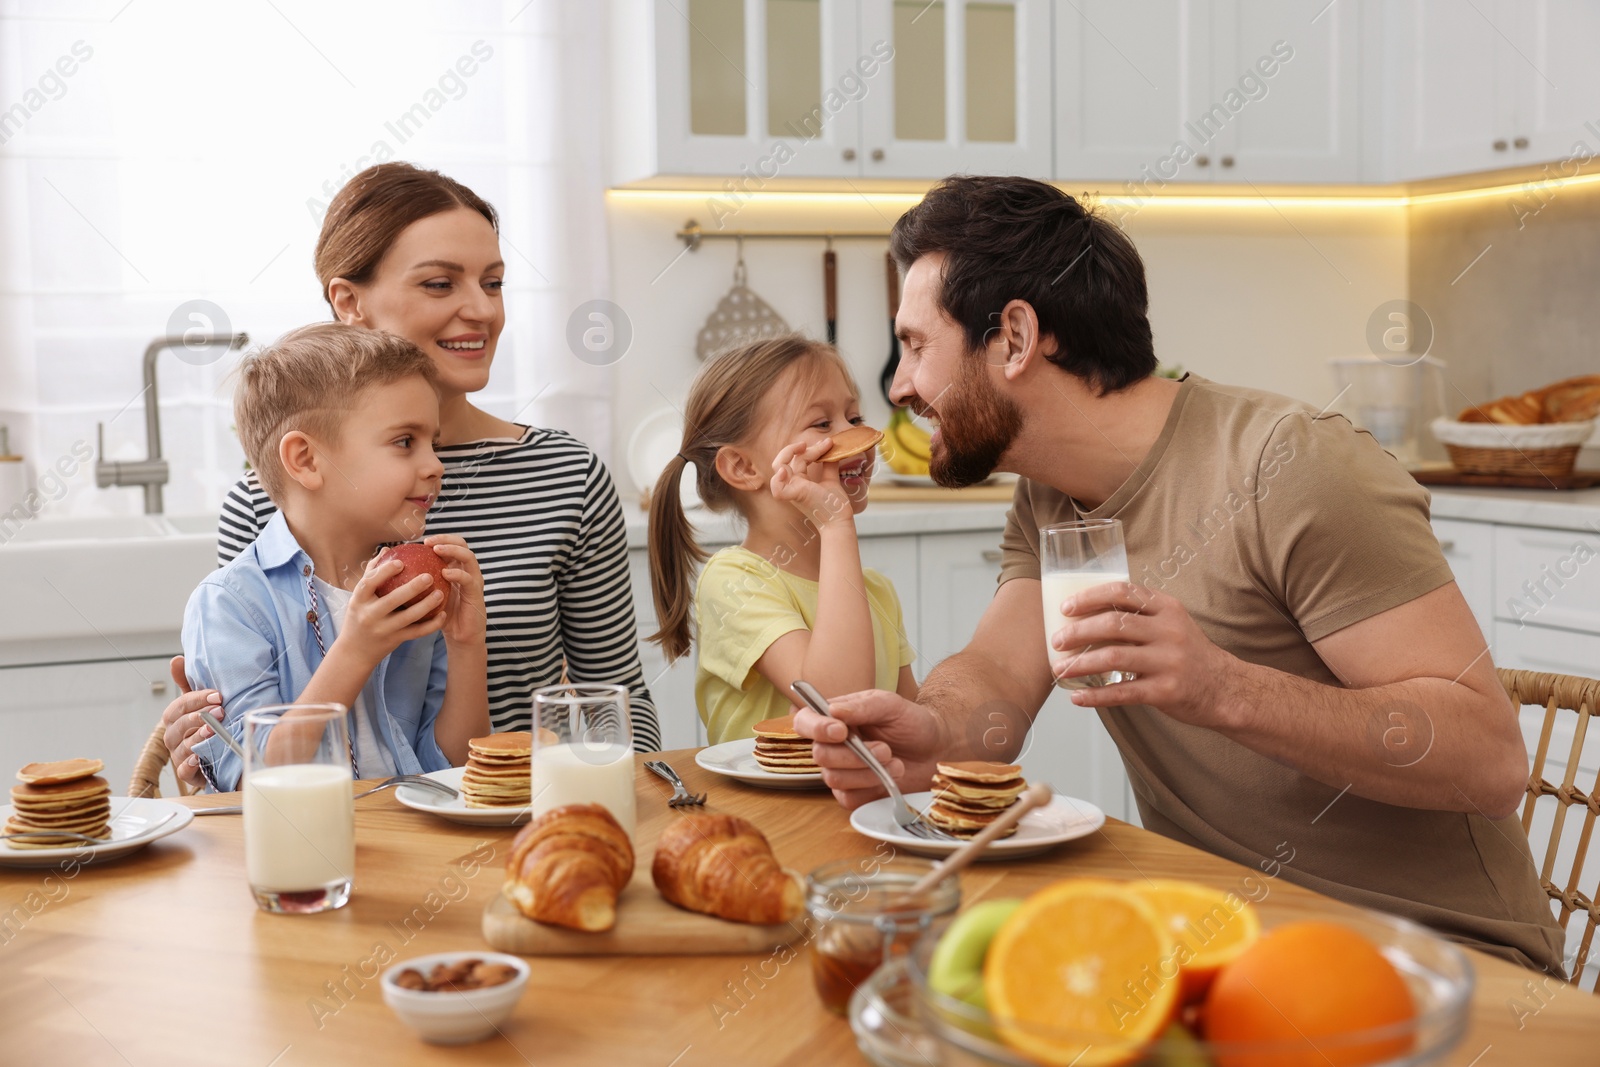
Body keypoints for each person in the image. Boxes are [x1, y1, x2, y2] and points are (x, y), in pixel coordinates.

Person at [793, 175, 1565, 974]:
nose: (898, 387)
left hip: (1432, 956)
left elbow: (1492, 759)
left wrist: (1224, 688)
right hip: (1217, 937)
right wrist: (938, 731)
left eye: (917, 345)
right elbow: (996, 673)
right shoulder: (1049, 491)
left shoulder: (1293, 465)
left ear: (1016, 339)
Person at [162, 163, 661, 788]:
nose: (481, 309)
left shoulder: (566, 474)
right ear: (349, 303)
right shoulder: (263, 505)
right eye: (438, 284)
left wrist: (621, 800)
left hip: (524, 818)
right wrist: (207, 761)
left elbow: (617, 700)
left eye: (494, 282)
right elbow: (249, 735)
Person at [185, 324, 488, 791]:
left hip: (412, 848)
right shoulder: (231, 604)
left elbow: (451, 765)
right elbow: (251, 779)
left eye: (434, 443)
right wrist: (356, 650)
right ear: (306, 460)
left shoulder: (408, 586)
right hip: (299, 854)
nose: (435, 465)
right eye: (405, 441)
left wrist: (467, 646)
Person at [647, 335, 917, 744]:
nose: (857, 438)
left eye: (855, 418)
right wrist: (836, 524)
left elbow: (911, 735)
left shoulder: (876, 591)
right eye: (822, 424)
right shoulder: (734, 582)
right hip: (766, 811)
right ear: (741, 466)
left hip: (861, 807)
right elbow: (835, 703)